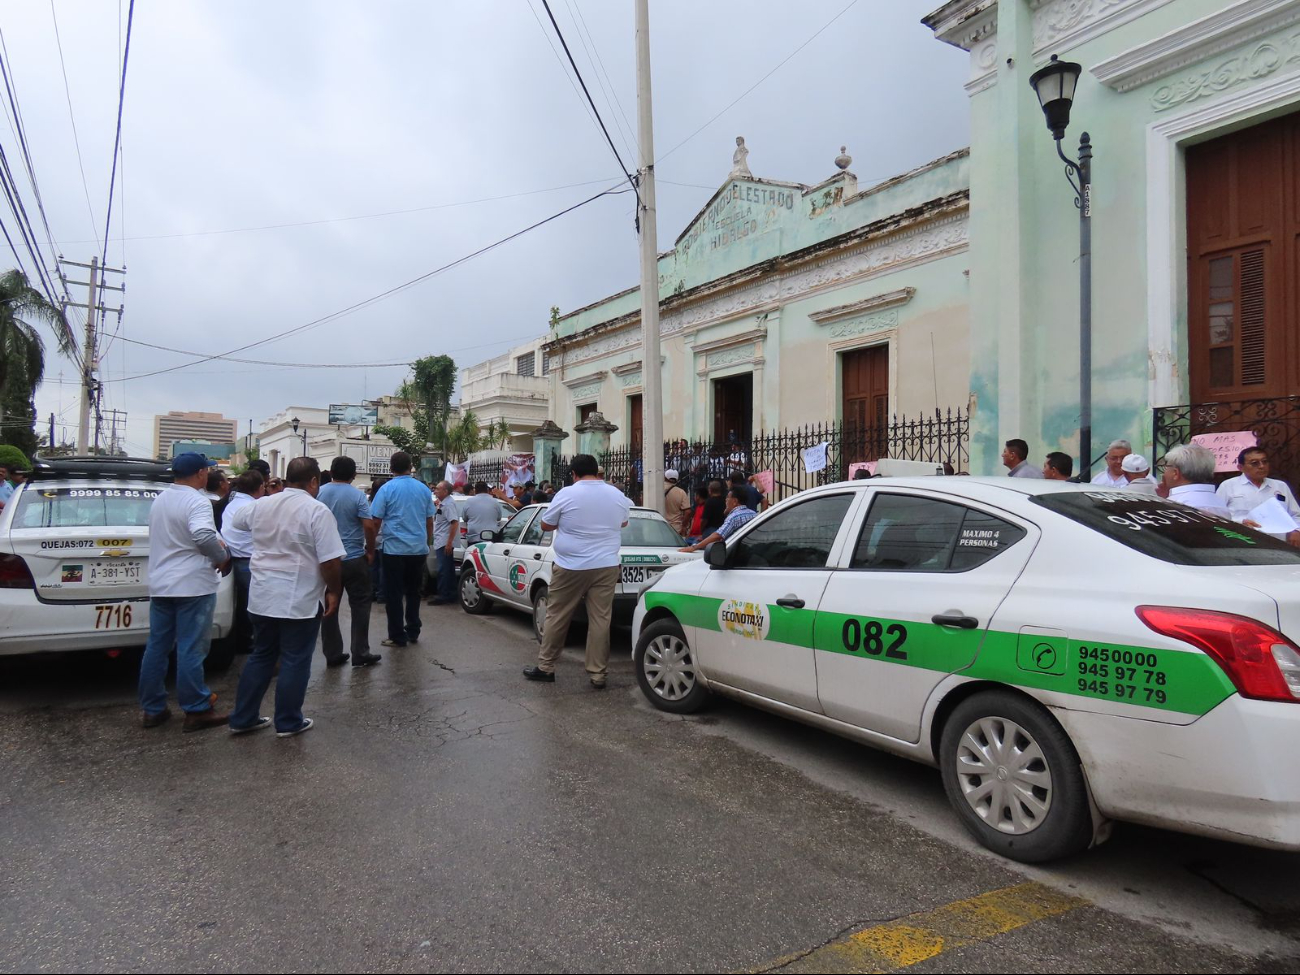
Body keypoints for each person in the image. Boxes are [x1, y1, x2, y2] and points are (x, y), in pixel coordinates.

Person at [227, 457, 345, 737]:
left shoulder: (260, 505)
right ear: (314, 481)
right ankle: (289, 721)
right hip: (298, 598)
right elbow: (330, 561)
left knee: (261, 656)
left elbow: (238, 521)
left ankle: (243, 717)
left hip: (262, 595)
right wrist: (334, 590)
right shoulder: (317, 511)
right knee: (295, 659)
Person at [137, 452, 231, 732]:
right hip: (192, 585)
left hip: (162, 584)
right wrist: (220, 556)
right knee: (192, 647)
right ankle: (196, 708)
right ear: (201, 473)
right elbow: (202, 536)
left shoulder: (161, 499)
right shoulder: (197, 501)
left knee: (157, 646)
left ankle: (153, 708)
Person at [522, 453, 632, 689]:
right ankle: (598, 674)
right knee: (601, 619)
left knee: (557, 615)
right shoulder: (616, 494)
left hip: (571, 565)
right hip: (606, 565)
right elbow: (623, 522)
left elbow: (546, 524)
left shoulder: (567, 493)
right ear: (597, 471)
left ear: (573, 473)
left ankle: (546, 667)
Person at [317, 456, 381, 667]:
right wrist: (370, 551)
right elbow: (369, 526)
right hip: (353, 557)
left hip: (327, 559)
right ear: (353, 475)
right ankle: (360, 651)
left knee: (329, 604)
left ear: (331, 472)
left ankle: (332, 653)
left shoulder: (319, 492)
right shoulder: (357, 496)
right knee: (361, 605)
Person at [370, 451, 435, 648]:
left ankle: (397, 635)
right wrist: (428, 542)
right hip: (417, 549)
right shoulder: (423, 489)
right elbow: (429, 520)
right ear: (411, 467)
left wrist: (371, 547)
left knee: (394, 594)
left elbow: (375, 521)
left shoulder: (386, 489)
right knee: (414, 592)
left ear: (391, 468)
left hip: (394, 550)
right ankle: (413, 630)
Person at [220, 469, 265, 656]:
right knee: (256, 608)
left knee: (242, 605)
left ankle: (243, 641)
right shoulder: (255, 507)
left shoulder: (231, 505)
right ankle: (256, 645)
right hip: (250, 561)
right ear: (260, 487)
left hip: (233, 560)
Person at [1216, 446, 1300, 545]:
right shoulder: (1228, 486)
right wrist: (1240, 522)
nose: (1261, 466)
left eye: (1264, 462)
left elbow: (1296, 514)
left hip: (1279, 544)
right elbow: (1217, 517)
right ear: (1240, 467)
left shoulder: (1280, 486)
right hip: (1242, 542)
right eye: (1254, 463)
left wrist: (1296, 530)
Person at [680, 485, 758, 553]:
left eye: (728, 498)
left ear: (735, 501)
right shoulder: (754, 514)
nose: (726, 500)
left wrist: (694, 547)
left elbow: (718, 535)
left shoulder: (734, 516)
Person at [1161, 443, 1232, 517]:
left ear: (1175, 473)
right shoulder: (1220, 502)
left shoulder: (1174, 504)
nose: (1164, 473)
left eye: (1166, 467)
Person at [428, 480, 460, 605]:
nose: (435, 491)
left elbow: (454, 523)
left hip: (444, 541)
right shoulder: (443, 503)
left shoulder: (448, 504)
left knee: (443, 569)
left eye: (438, 489)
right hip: (441, 539)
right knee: (448, 568)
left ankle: (443, 594)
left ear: (445, 491)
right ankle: (451, 593)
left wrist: (449, 543)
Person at [463, 480, 501, 548]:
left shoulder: (469, 501)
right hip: (491, 537)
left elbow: (464, 518)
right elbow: (499, 517)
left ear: (475, 490)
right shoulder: (495, 501)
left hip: (474, 538)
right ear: (487, 490)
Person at [663, 469, 691, 537]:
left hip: (660, 526)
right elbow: (688, 512)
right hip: (675, 528)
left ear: (665, 477)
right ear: (677, 479)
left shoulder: (657, 489)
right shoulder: (681, 492)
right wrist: (684, 527)